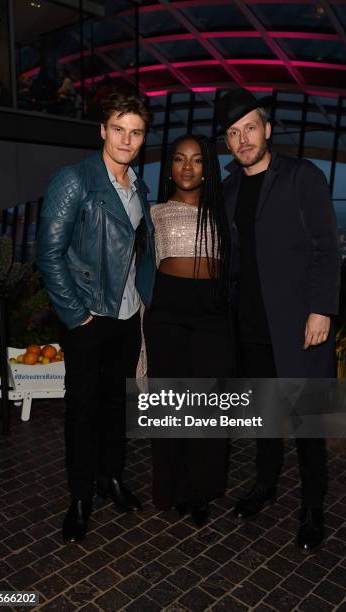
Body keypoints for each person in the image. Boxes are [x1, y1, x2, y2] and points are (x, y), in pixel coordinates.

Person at [216, 88, 340, 551]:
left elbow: (326, 245)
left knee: (307, 422)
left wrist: (321, 308)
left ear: (267, 130)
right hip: (249, 327)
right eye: (233, 132)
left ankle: (312, 506)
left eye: (250, 127)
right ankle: (265, 485)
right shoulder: (227, 189)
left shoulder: (301, 176)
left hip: (299, 325)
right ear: (227, 143)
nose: (243, 138)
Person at [37, 91, 155, 543]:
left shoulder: (139, 185)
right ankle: (81, 495)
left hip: (126, 314)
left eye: (136, 132)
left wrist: (144, 298)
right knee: (83, 410)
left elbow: (136, 248)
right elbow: (48, 254)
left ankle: (111, 478)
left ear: (143, 138)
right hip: (88, 315)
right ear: (103, 130)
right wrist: (77, 315)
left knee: (116, 404)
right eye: (119, 129)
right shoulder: (76, 180)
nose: (127, 139)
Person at [143, 134, 233, 527]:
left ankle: (201, 490)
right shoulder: (155, 212)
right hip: (167, 308)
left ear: (207, 168)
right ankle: (172, 486)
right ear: (170, 167)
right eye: (179, 159)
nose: (187, 167)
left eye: (197, 160)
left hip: (212, 311)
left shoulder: (224, 212)